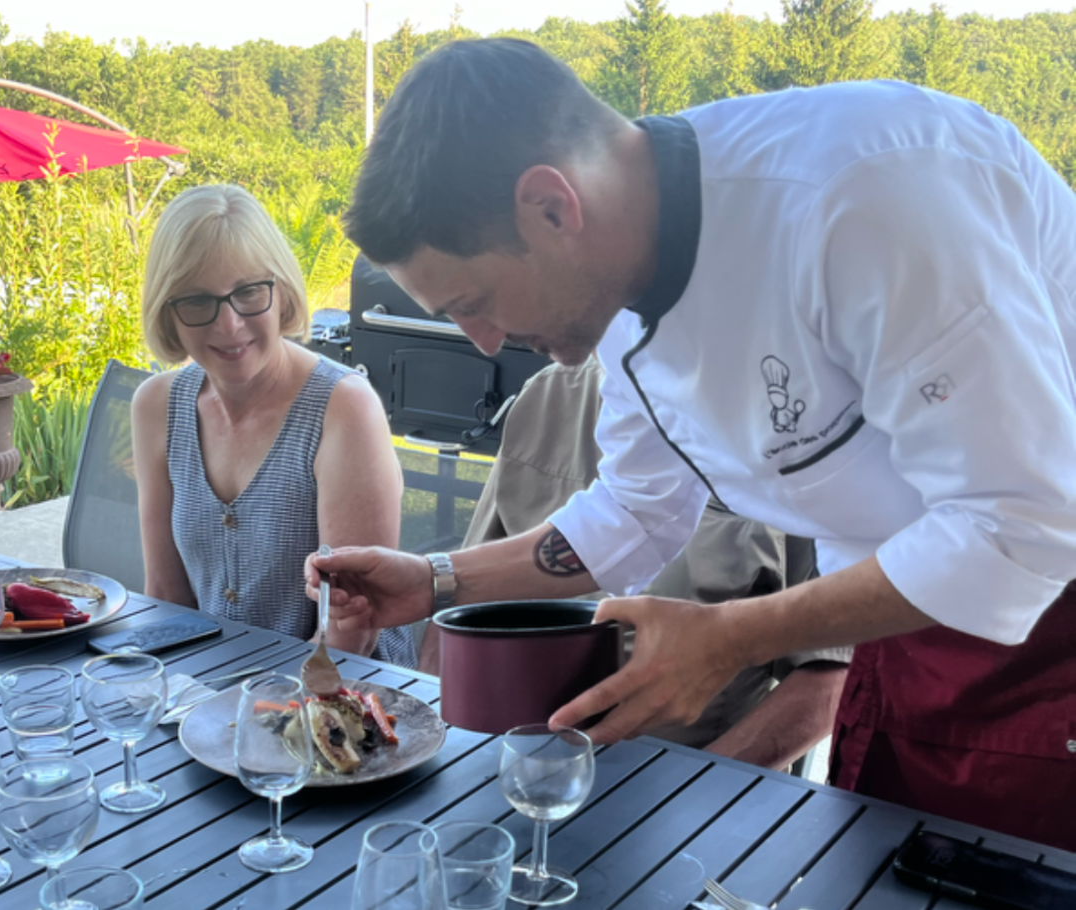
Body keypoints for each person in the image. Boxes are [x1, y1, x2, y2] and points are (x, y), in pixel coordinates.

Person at [309, 38, 1076, 849]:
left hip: (1052, 644)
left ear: (551, 207)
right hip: (901, 630)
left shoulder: (865, 198)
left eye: (475, 300)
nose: (486, 342)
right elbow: (638, 512)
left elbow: (1026, 524)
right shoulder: (616, 286)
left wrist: (737, 636)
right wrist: (434, 580)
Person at [425, 357, 849, 770]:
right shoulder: (548, 390)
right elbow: (456, 610)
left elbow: (834, 671)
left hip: (686, 782)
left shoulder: (795, 418)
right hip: (510, 764)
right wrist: (444, 753)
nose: (487, 338)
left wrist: (706, 785)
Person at [134, 184, 416, 667]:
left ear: (281, 292)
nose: (229, 325)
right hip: (212, 691)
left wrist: (249, 717)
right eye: (198, 301)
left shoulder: (344, 408)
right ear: (168, 312)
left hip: (346, 694)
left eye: (248, 292)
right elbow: (166, 598)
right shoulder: (156, 405)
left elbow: (351, 633)